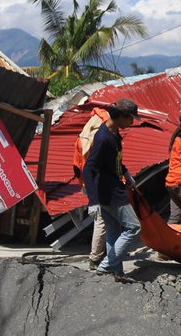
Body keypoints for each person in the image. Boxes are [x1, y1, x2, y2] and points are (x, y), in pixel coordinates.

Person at [82, 97, 143, 282]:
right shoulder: (103, 137)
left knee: (114, 233)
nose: (132, 123)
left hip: (110, 188)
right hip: (111, 192)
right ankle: (105, 266)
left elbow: (113, 161)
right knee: (133, 227)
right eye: (130, 119)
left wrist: (126, 172)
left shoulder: (113, 132)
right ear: (120, 116)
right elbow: (88, 168)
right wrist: (92, 202)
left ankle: (115, 273)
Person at [73, 106, 111, 270]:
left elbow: (76, 166)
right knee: (102, 220)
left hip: (89, 184)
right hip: (101, 184)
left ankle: (101, 255)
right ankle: (95, 258)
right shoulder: (102, 137)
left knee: (103, 219)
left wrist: (83, 184)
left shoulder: (82, 137)